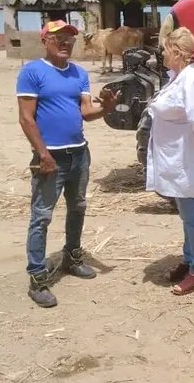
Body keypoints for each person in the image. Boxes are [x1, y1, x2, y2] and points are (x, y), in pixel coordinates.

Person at [16, 19, 120, 308]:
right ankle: (37, 278)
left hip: (79, 154)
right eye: (58, 37)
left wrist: (107, 108)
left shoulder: (79, 73)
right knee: (42, 217)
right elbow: (26, 118)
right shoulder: (32, 72)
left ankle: (72, 257)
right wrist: (44, 155)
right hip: (51, 157)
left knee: (78, 207)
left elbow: (87, 112)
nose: (65, 42)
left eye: (69, 38)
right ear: (45, 41)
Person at [145, 27, 194, 296]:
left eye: (165, 48)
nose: (162, 53)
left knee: (192, 217)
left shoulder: (193, 79)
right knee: (187, 215)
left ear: (176, 51)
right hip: (178, 161)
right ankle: (189, 261)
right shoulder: (180, 77)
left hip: (186, 160)